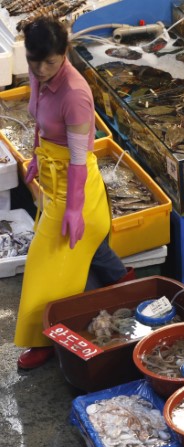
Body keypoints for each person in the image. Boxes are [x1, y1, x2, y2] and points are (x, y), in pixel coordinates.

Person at [15, 17, 133, 370]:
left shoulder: (76, 93)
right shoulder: (39, 76)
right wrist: (35, 158)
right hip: (52, 179)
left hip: (74, 189)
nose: (41, 69)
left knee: (44, 268)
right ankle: (124, 284)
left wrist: (74, 209)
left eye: (50, 62)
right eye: (34, 61)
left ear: (64, 53)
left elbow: (81, 160)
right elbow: (39, 123)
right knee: (92, 248)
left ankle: (42, 338)